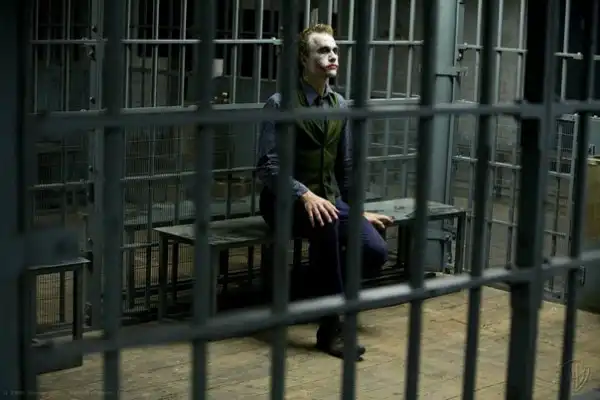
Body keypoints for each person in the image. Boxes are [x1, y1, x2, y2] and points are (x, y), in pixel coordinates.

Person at [256, 24, 393, 359]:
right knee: (327, 224)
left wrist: (356, 210)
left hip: (329, 201)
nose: (332, 56)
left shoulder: (339, 104)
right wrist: (304, 193)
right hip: (285, 202)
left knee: (374, 249)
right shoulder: (281, 103)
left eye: (334, 50)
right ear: (304, 59)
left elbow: (344, 167)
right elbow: (267, 166)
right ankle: (331, 329)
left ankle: (312, 291)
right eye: (322, 50)